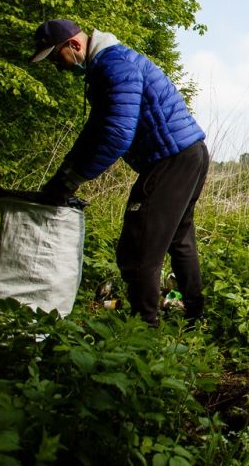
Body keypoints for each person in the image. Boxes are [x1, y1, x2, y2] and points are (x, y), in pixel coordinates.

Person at [30, 18, 210, 327]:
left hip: (170, 158)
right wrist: (62, 176)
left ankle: (143, 331)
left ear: (74, 45)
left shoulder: (115, 66)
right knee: (179, 239)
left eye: (55, 57)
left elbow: (115, 135)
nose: (57, 67)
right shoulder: (109, 66)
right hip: (189, 153)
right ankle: (194, 317)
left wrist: (73, 180)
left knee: (138, 248)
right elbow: (93, 132)